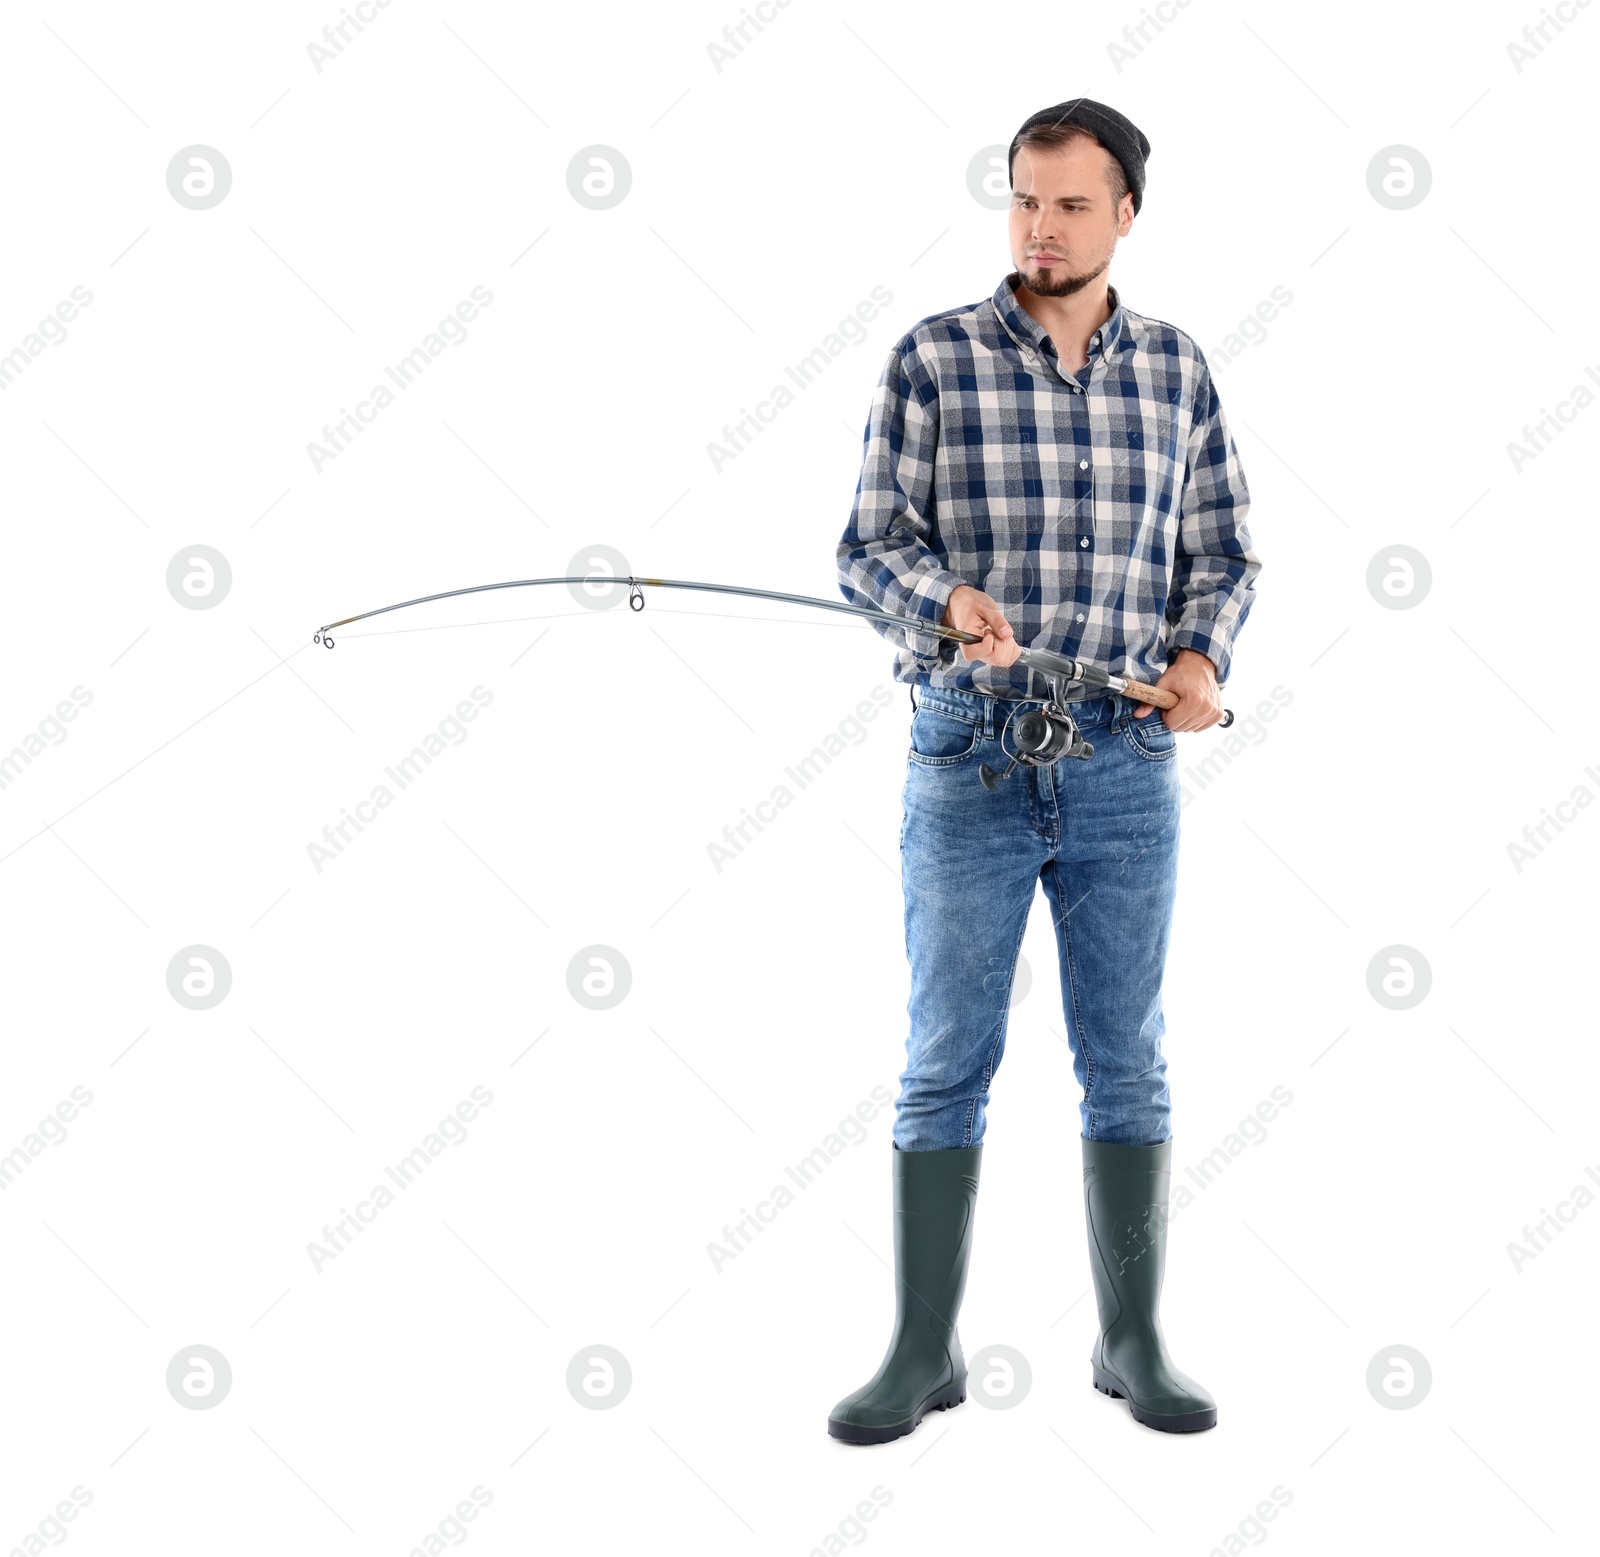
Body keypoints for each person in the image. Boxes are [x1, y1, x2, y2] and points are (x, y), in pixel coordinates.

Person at [829, 98, 1261, 1443]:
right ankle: (920, 1345)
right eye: (1024, 198)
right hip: (968, 756)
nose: (1041, 225)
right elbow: (865, 545)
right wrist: (946, 600)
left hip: (1127, 766)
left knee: (1125, 1060)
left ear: (1125, 212)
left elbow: (1224, 555)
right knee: (944, 1056)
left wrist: (1200, 662)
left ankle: (1131, 1337)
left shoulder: (1178, 371)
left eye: (1071, 203)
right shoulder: (935, 359)